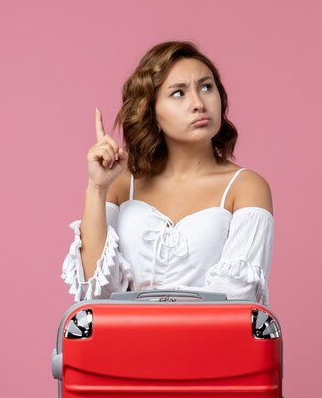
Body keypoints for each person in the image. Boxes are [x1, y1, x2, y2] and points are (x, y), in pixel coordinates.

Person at [61, 41, 275, 305]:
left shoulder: (246, 187)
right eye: (178, 93)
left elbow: (237, 300)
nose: (198, 103)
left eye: (206, 87)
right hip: (123, 343)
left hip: (212, 345)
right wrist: (96, 189)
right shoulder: (119, 184)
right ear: (151, 110)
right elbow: (95, 295)